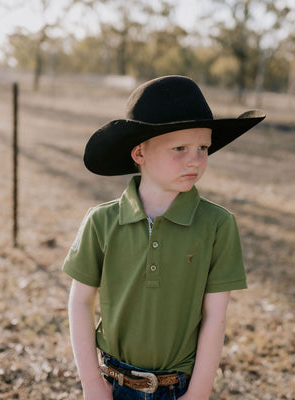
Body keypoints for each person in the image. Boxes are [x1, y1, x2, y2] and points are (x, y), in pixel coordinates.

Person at [62, 75, 265, 400]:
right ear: (139, 153)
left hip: (178, 387)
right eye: (180, 148)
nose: (195, 160)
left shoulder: (218, 225)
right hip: (112, 383)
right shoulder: (101, 221)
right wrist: (91, 384)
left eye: (203, 148)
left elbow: (216, 317)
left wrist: (198, 392)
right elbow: (80, 301)